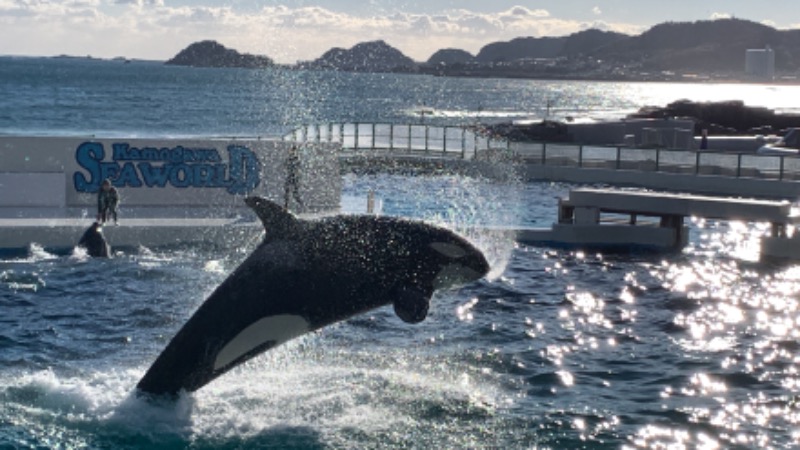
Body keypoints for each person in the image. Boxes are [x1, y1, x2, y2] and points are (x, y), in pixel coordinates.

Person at [284, 145, 304, 210]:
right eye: (291, 150)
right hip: (291, 176)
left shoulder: (296, 159)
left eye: (293, 151)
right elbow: (286, 165)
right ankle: (286, 205)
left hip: (294, 177)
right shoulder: (290, 158)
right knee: (287, 191)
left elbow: (297, 167)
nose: (292, 152)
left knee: (294, 192)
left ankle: (300, 204)